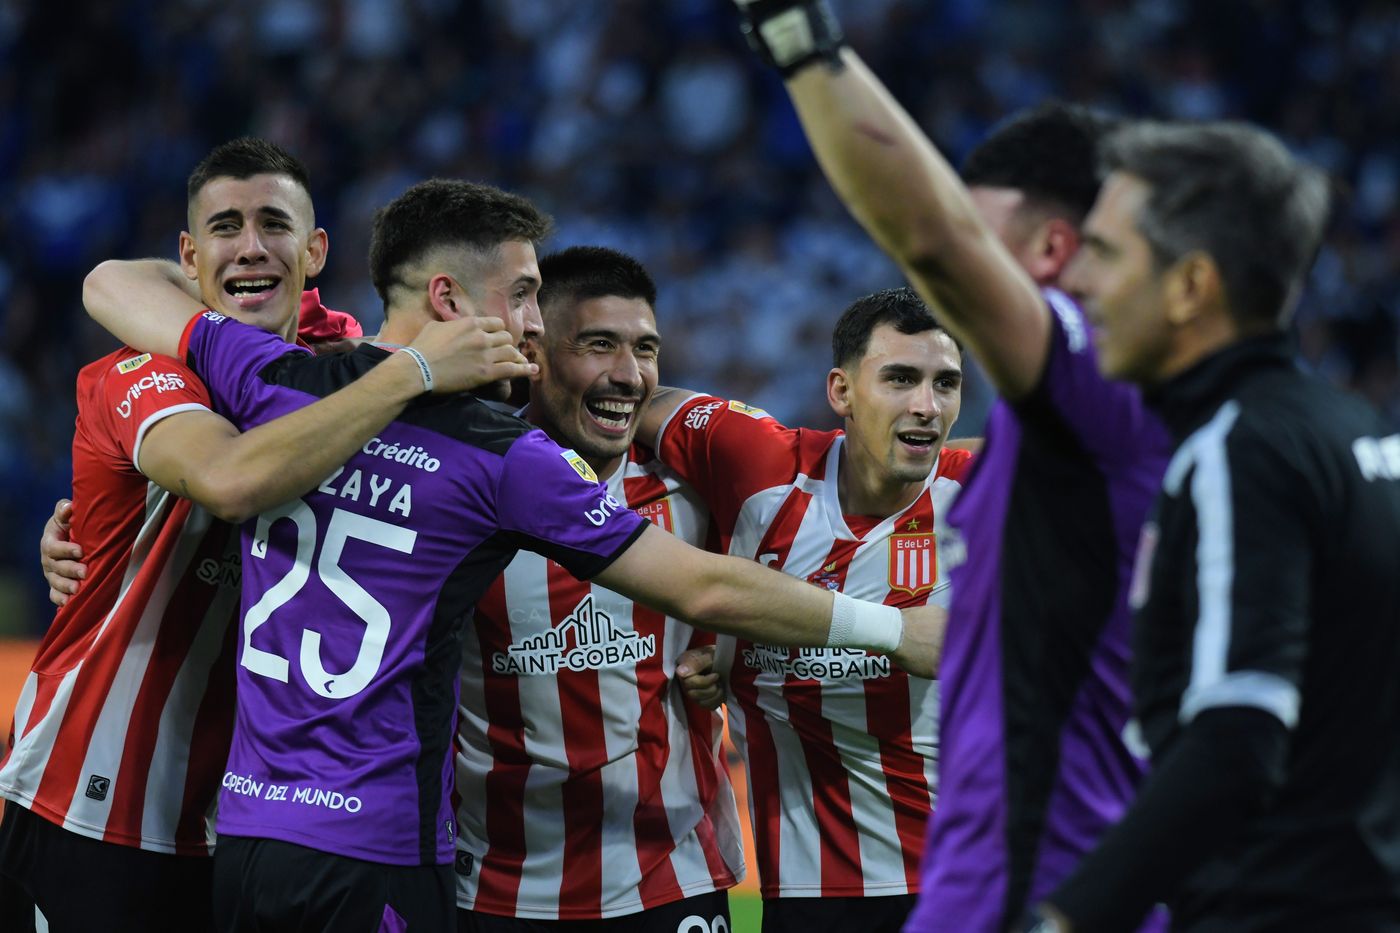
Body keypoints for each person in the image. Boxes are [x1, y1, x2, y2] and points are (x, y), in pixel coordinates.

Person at [86, 175, 946, 931]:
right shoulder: (503, 456)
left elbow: (112, 281)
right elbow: (700, 587)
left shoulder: (271, 381)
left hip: (251, 837)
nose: (535, 323)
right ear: (453, 299)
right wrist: (897, 632)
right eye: (526, 294)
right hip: (385, 843)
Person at [0, 138, 530, 933]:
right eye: (225, 228)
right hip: (90, 803)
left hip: (243, 830)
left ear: (316, 251)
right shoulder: (146, 371)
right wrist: (412, 372)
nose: (252, 247)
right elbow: (225, 473)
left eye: (275, 224)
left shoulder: (340, 364)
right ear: (188, 256)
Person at [729, 2, 1171, 929]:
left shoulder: (1098, 385)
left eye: (985, 237)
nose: (957, 275)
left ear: (1050, 252)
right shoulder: (1059, 428)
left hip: (1029, 882)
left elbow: (928, 236)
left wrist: (801, 43)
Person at [1027, 121, 1400, 932]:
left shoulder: (1239, 450)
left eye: (1107, 252)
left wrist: (1065, 921)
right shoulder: (1359, 434)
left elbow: (1237, 735)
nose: (1078, 280)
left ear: (1191, 284)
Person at [645, 286, 970, 933]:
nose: (927, 407)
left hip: (963, 884)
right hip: (804, 895)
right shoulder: (757, 463)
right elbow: (636, 406)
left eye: (946, 383)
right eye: (901, 378)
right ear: (841, 391)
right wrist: (710, 633)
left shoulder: (985, 495)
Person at [455, 246, 743, 931]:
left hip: (671, 880)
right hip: (500, 887)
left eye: (646, 348)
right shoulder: (460, 494)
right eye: (599, 344)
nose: (629, 374)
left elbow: (793, 561)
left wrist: (730, 653)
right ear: (538, 355)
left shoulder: (692, 494)